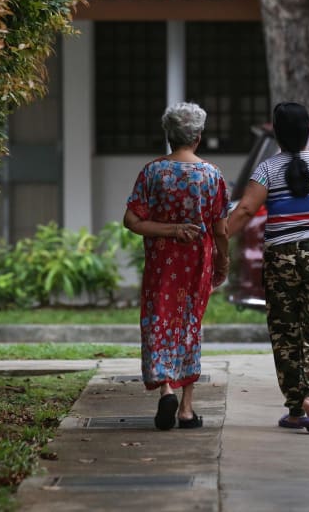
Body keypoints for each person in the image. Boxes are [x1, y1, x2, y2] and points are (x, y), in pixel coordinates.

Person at [227, 101, 309, 434]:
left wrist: (216, 240)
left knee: (285, 331)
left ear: (276, 133)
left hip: (281, 258)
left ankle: (295, 408)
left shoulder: (267, 170)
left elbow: (245, 211)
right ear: (307, 131)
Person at [124, 102, 229, 431]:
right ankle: (186, 408)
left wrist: (168, 230)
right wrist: (224, 260)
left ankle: (166, 388)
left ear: (169, 136)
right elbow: (221, 229)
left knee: (159, 320)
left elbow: (132, 220)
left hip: (161, 264)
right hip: (196, 263)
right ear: (198, 137)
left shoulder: (153, 172)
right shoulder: (211, 175)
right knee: (189, 326)